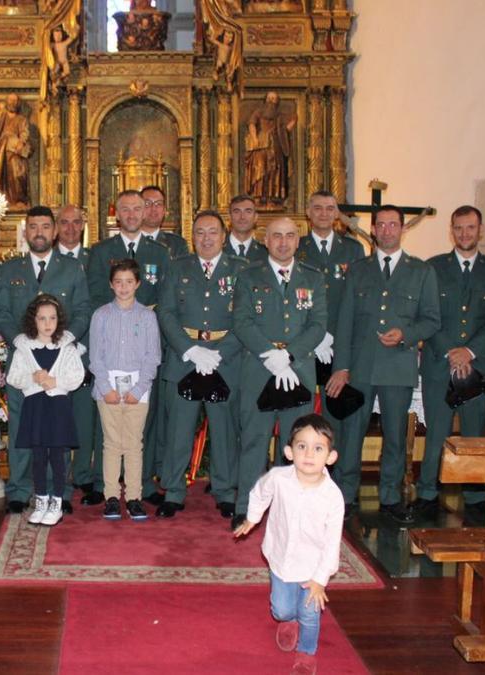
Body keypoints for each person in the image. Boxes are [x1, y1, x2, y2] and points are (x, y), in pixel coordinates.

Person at [326, 206, 440, 523]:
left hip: (398, 366)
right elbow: (345, 321)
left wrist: (406, 334)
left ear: (403, 229)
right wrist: (341, 366)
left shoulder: (421, 272)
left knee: (394, 435)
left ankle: (390, 496)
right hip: (360, 367)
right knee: (352, 434)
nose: (387, 230)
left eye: (393, 224)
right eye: (381, 225)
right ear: (373, 230)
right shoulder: (358, 270)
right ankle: (345, 495)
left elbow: (432, 320)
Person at [231, 217, 328, 530]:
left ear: (298, 241)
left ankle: (292, 508)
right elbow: (242, 322)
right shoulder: (248, 275)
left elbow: (318, 324)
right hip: (259, 369)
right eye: (276, 236)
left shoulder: (312, 277)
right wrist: (270, 355)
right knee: (254, 442)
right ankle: (246, 506)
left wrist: (288, 355)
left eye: (289, 236)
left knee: (298, 443)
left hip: (297, 371)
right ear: (266, 241)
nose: (283, 242)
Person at [0, 205, 91, 516]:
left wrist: (68, 338)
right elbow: (2, 313)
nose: (39, 232)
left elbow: (83, 309)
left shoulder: (72, 268)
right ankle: (20, 489)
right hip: (24, 359)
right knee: (23, 424)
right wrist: (17, 339)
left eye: (45, 227)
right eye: (33, 227)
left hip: (59, 359)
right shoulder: (10, 269)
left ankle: (59, 490)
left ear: (54, 232)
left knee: (56, 428)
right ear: (25, 232)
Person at [233, 414, 344, 675]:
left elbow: (331, 543)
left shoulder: (333, 497)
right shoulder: (279, 477)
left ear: (330, 457)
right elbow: (260, 492)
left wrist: (320, 579)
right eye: (301, 446)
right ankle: (288, 621)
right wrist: (252, 517)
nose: (308, 453)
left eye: (318, 448)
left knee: (310, 613)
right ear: (288, 451)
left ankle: (306, 654)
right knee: (281, 609)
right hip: (281, 557)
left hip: (312, 566)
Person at [417, 206, 485, 522]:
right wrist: (450, 351)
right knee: (436, 433)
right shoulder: (433, 268)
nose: (465, 234)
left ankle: (475, 493)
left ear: (480, 230)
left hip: (477, 365)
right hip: (439, 364)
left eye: (470, 228)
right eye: (459, 228)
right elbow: (427, 315)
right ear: (451, 230)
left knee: (473, 434)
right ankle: (427, 491)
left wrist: (469, 352)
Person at [155, 210, 248, 518]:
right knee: (179, 428)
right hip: (185, 359)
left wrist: (219, 352)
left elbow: (246, 318)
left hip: (226, 359)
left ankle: (224, 490)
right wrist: (190, 350)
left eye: (212, 232)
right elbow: (166, 313)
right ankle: (173, 490)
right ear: (192, 237)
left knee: (224, 428)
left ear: (224, 236)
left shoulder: (241, 269)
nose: (206, 238)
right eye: (199, 233)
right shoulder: (177, 267)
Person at [86, 190, 172, 504]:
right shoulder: (100, 251)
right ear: (116, 214)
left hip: (144, 346)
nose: (134, 214)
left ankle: (143, 486)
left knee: (141, 428)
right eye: (127, 209)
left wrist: (145, 316)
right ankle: (103, 485)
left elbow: (166, 296)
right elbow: (95, 294)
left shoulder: (160, 252)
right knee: (107, 430)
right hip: (110, 342)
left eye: (139, 208)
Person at [89, 259, 161, 522]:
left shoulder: (147, 316)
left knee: (133, 445)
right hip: (107, 388)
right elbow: (95, 357)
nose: (123, 287)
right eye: (118, 282)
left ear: (138, 284)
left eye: (129, 282)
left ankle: (133, 497)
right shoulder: (101, 315)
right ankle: (110, 496)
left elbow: (152, 357)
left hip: (137, 390)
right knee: (110, 444)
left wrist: (139, 388)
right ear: (111, 284)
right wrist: (106, 388)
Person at [6, 295, 86, 526]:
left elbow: (76, 376)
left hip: (58, 407)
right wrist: (33, 377)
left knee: (57, 457)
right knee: (39, 456)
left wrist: (55, 381)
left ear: (59, 321)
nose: (47, 323)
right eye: (42, 318)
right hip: (36, 407)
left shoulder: (66, 348)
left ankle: (57, 501)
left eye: (52, 318)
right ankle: (40, 499)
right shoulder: (24, 348)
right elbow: (14, 377)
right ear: (34, 321)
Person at [295, 190, 365, 445]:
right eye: (317, 208)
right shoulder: (297, 247)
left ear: (337, 214)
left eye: (329, 208)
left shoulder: (353, 250)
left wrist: (337, 338)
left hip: (339, 344)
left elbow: (358, 300)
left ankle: (335, 477)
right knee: (300, 413)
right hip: (302, 343)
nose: (323, 213)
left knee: (336, 414)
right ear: (308, 212)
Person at [55, 204, 105, 507]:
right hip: (54, 353)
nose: (71, 228)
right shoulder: (49, 262)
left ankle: (85, 475)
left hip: (87, 349)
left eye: (77, 223)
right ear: (56, 226)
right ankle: (59, 479)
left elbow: (99, 303)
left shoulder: (93, 260)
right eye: (65, 222)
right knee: (59, 418)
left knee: (87, 419)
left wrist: (83, 342)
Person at [139, 185, 188, 258]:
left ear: (164, 211)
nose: (153, 208)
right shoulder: (127, 241)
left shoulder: (177, 244)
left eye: (158, 204)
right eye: (147, 204)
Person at [224, 194, 269, 264]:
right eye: (237, 212)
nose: (242, 217)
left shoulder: (266, 253)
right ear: (229, 216)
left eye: (248, 212)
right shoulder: (216, 250)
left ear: (255, 217)